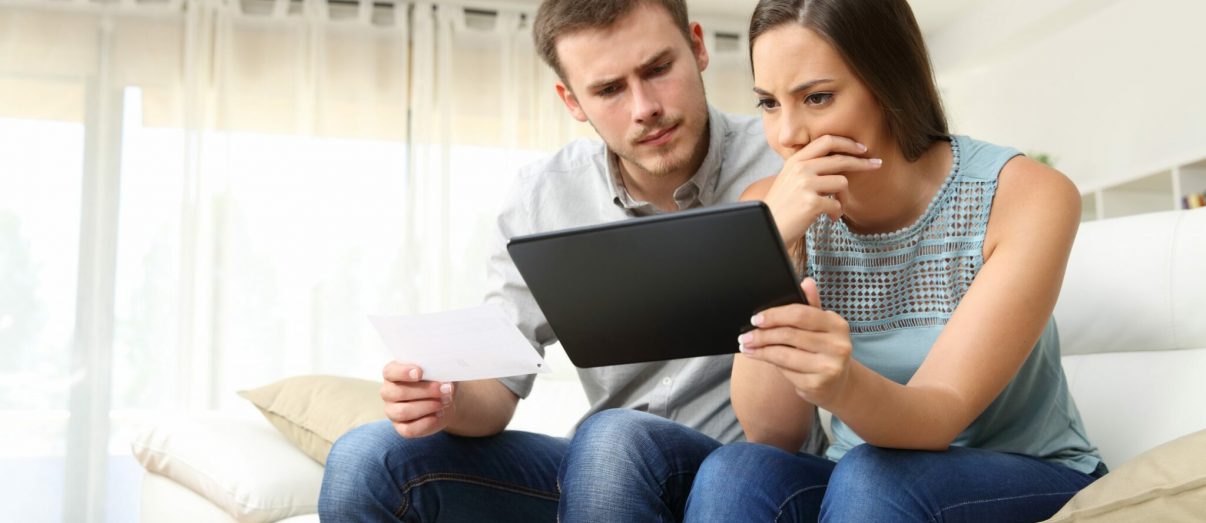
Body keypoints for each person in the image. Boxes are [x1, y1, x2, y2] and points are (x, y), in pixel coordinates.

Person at [318, 1, 799, 521]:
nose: (644, 108)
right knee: (364, 459)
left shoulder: (785, 161)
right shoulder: (542, 197)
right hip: (606, 476)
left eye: (658, 70)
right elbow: (497, 388)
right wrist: (444, 398)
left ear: (698, 47)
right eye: (609, 90)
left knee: (615, 437)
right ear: (572, 100)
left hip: (736, 475)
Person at [682, 0, 1105, 521]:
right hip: (860, 479)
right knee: (737, 469)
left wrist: (840, 384)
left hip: (1024, 472)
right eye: (769, 104)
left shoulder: (1024, 195)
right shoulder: (768, 208)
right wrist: (773, 245)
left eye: (817, 97)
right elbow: (774, 434)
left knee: (871, 478)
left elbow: (938, 415)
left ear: (889, 85)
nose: (788, 135)